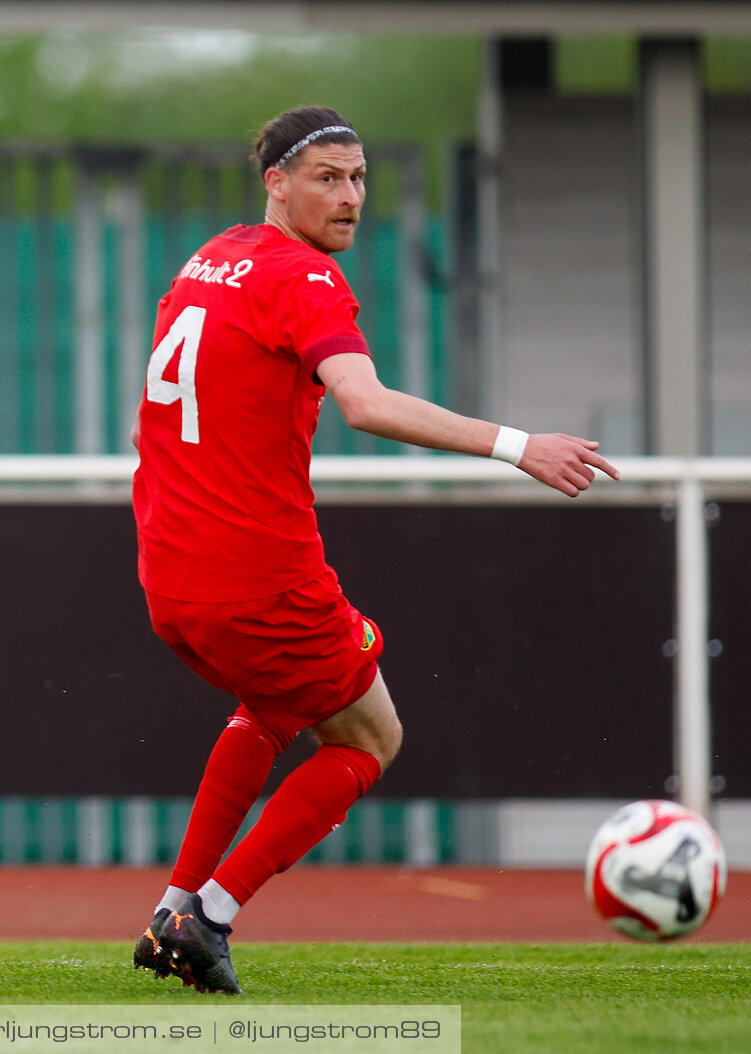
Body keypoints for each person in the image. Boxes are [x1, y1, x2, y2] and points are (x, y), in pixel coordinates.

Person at [127, 108, 619, 993]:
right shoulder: (304, 278)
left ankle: (172, 906)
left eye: (358, 178)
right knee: (370, 738)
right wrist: (519, 445)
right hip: (258, 576)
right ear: (275, 181)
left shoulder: (209, 259)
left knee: (276, 708)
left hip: (170, 575)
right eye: (327, 178)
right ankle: (212, 911)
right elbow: (367, 404)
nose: (349, 197)